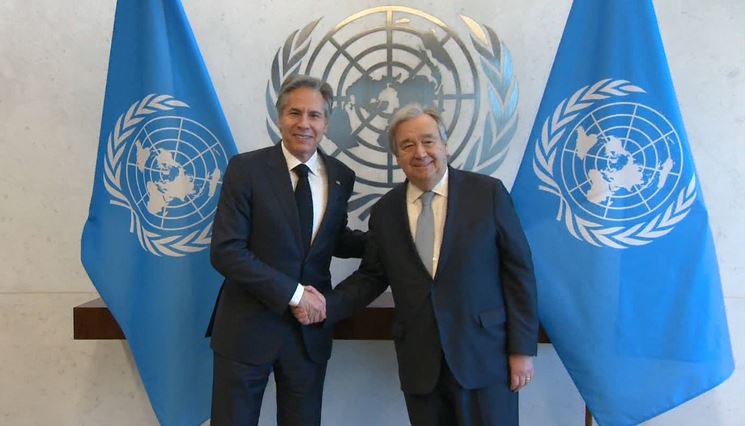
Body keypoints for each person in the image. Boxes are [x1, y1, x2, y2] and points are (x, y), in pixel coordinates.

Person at [295, 103, 538, 425]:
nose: (420, 152)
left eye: (428, 141)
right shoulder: (385, 212)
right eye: (407, 145)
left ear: (445, 145)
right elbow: (372, 276)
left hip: (485, 358)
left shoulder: (487, 193)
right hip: (421, 366)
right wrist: (327, 305)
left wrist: (522, 350)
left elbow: (519, 273)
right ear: (397, 156)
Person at [208, 74, 365, 426]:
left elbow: (331, 239)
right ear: (279, 118)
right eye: (295, 113)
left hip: (308, 336)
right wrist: (295, 295)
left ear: (326, 123)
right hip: (246, 330)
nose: (304, 124)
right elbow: (227, 251)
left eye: (314, 115)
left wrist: (392, 240)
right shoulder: (245, 169)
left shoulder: (341, 175)